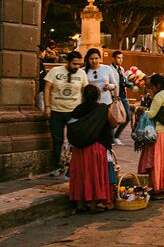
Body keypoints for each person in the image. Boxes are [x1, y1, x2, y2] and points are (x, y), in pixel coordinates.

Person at [67, 84, 117, 213]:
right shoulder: (102, 109)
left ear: (83, 96)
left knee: (81, 175)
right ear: (98, 96)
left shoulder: (77, 109)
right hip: (96, 148)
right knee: (93, 175)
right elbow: (114, 123)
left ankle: (80, 204)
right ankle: (94, 205)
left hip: (79, 149)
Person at [44, 51, 87, 173]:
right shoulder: (55, 71)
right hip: (56, 111)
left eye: (79, 64)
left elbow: (85, 91)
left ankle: (72, 166)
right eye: (74, 64)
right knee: (57, 140)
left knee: (74, 139)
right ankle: (57, 165)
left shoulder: (82, 74)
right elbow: (47, 88)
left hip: (74, 111)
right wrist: (47, 106)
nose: (77, 67)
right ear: (68, 62)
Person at [110, 51, 131, 145]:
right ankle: (111, 138)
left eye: (122, 58)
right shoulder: (109, 69)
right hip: (114, 97)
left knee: (128, 117)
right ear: (113, 58)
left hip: (123, 96)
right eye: (118, 58)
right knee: (113, 118)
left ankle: (116, 136)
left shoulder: (122, 69)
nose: (120, 60)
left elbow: (124, 81)